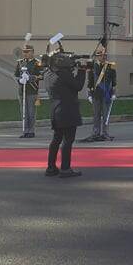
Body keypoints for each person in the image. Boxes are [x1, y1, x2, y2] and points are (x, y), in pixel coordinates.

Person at [45, 48, 85, 178]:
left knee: (56, 139)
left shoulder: (48, 74)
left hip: (55, 111)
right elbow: (78, 85)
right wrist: (82, 70)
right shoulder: (63, 74)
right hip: (67, 111)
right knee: (68, 140)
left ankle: (51, 167)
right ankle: (65, 168)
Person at [83, 45, 116, 142]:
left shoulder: (110, 66)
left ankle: (105, 133)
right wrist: (89, 94)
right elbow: (90, 81)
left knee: (106, 115)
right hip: (96, 94)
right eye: (101, 56)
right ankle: (96, 132)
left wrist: (113, 93)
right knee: (96, 115)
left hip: (106, 94)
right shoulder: (92, 66)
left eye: (104, 55)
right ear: (97, 56)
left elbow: (114, 81)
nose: (103, 57)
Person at [14, 35, 43, 138]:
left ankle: (31, 130)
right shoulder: (20, 63)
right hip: (22, 90)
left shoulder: (37, 63)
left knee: (31, 112)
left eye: (28, 52)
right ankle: (25, 131)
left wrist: (30, 78)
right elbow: (16, 75)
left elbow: (41, 75)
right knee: (24, 112)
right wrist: (20, 80)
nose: (25, 54)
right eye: (24, 52)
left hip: (32, 90)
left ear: (32, 52)